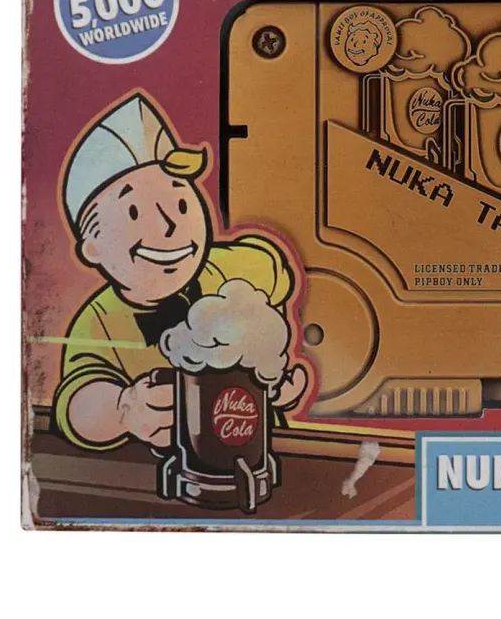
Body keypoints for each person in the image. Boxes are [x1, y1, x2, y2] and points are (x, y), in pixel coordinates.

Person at [53, 93, 310, 451]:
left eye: (181, 203)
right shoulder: (99, 322)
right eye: (135, 213)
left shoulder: (239, 265)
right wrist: (125, 409)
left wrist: (277, 372)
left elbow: (274, 269)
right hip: (169, 469)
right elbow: (79, 403)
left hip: (266, 454)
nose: (170, 225)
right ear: (92, 247)